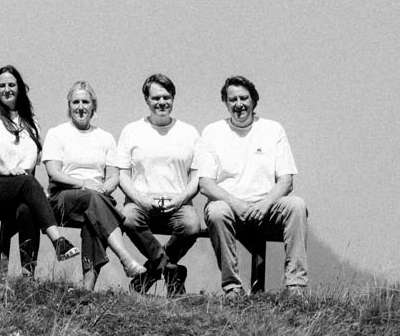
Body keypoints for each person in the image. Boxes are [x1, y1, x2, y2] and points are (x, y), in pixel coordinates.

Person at [193, 75, 309, 297]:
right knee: (216, 211)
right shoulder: (212, 132)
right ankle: (232, 288)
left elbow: (286, 180)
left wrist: (264, 205)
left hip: (267, 208)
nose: (239, 104)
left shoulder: (273, 129)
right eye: (232, 99)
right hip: (229, 208)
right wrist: (237, 204)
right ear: (225, 103)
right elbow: (206, 184)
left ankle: (295, 286)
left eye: (244, 98)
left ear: (254, 100)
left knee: (296, 205)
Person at [40, 81, 160, 290]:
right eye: (76, 102)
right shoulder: (57, 133)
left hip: (96, 199)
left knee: (94, 216)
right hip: (64, 197)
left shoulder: (105, 137)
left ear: (93, 105)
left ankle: (87, 289)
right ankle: (125, 257)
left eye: (85, 102)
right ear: (69, 106)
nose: (81, 107)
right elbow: (54, 173)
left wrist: (105, 187)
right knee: (95, 202)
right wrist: (84, 184)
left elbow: (113, 175)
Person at [0, 64, 79, 274]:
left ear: (19, 88)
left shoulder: (30, 123)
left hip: (21, 188)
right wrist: (6, 170)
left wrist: (36, 192)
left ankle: (28, 274)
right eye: (2, 86)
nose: (7, 89)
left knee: (28, 209)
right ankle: (58, 240)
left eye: (11, 85)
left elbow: (32, 166)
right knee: (27, 182)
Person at [110, 73, 204, 296]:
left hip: (179, 202)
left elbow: (197, 175)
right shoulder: (132, 130)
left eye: (166, 97)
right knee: (128, 219)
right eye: (156, 98)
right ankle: (170, 269)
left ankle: (152, 271)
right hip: (140, 201)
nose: (162, 102)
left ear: (173, 98)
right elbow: (123, 174)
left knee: (192, 226)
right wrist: (140, 199)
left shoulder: (189, 132)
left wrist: (180, 199)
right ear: (147, 100)